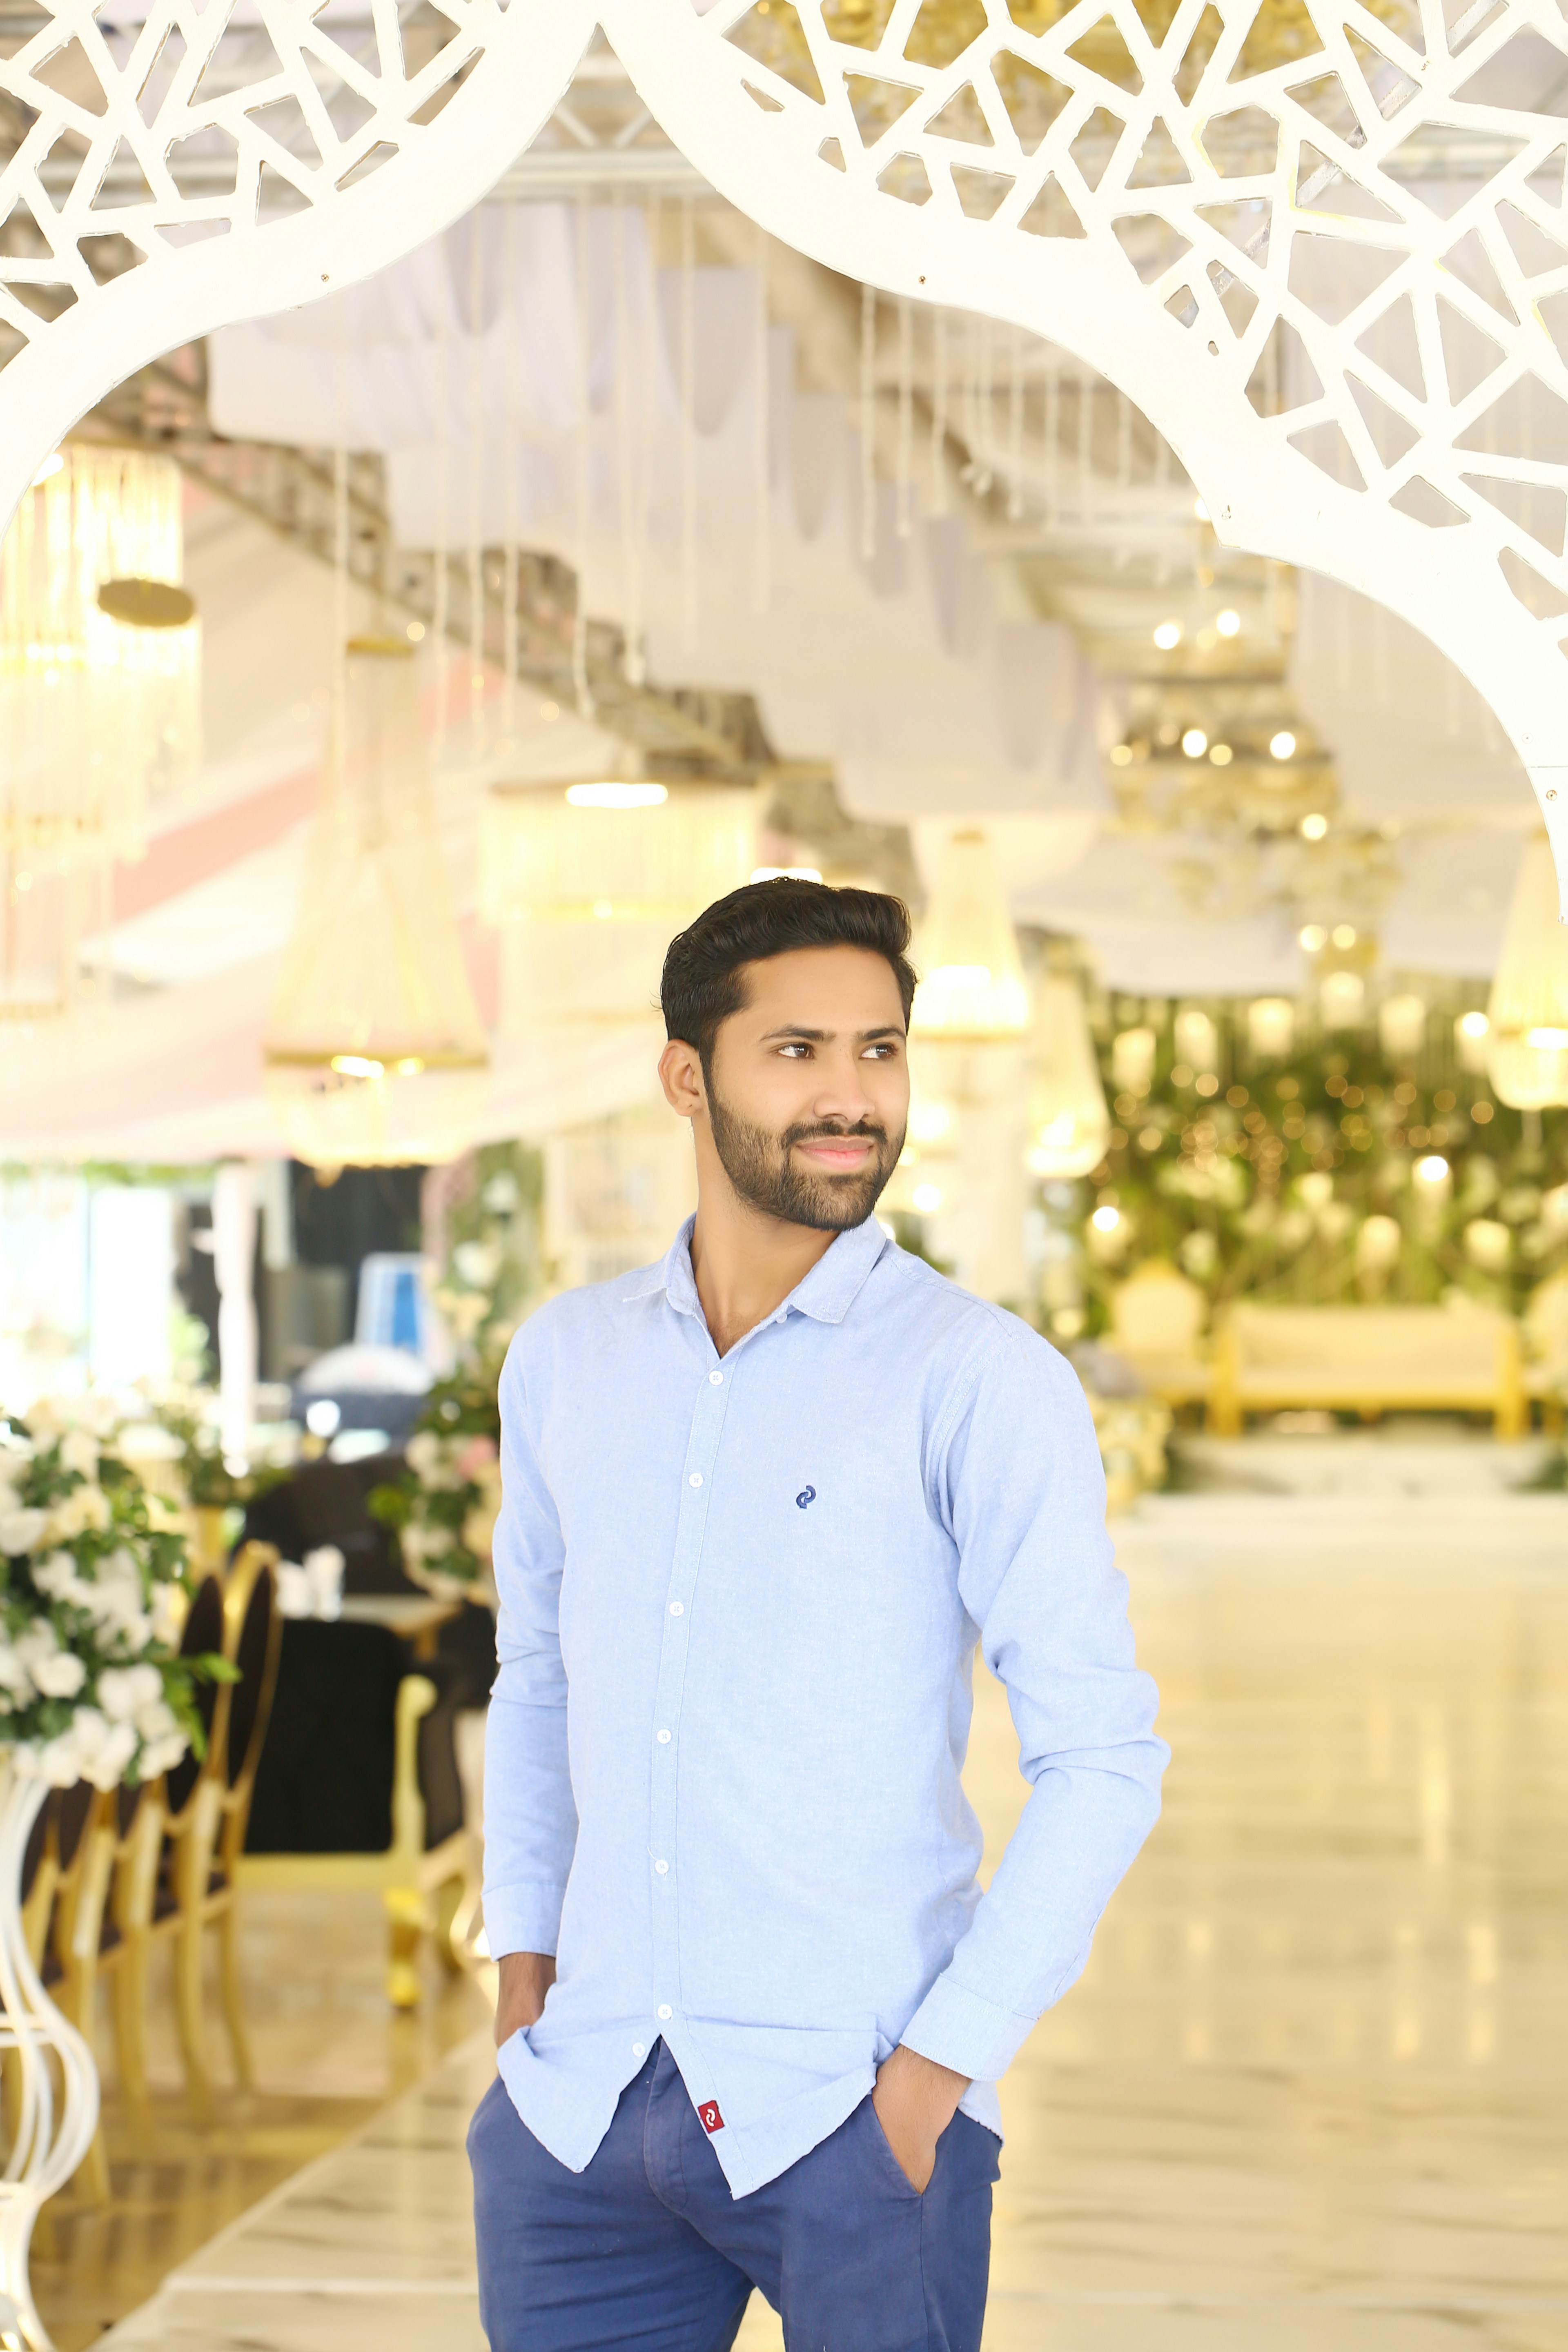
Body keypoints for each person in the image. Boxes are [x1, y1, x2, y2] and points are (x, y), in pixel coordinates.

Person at [469, 878, 1167, 2352]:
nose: (852, 1096)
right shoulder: (568, 1360)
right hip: (578, 2110)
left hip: (852, 2117)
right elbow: (536, 1676)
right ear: (687, 1076)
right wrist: (524, 1972)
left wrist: (935, 2078)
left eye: (880, 1050)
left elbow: (1103, 1757)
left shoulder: (980, 1378)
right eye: (797, 1052)